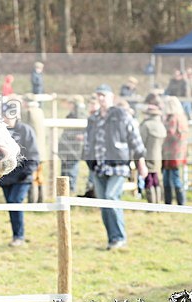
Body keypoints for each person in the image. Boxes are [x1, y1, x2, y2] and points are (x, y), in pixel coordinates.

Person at [82, 84, 147, 250]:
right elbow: (88, 141)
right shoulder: (93, 118)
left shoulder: (121, 115)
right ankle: (112, 239)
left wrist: (141, 162)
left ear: (111, 97)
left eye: (104, 95)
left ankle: (119, 237)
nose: (101, 98)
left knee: (111, 197)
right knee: (104, 203)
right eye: (99, 95)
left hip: (118, 165)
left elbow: (135, 139)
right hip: (98, 167)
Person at [0, 102, 39, 247]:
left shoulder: (26, 131)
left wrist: (27, 172)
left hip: (22, 177)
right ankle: (16, 234)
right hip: (5, 176)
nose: (5, 118)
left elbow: (34, 154)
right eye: (3, 114)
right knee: (11, 205)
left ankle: (19, 236)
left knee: (15, 202)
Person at [161, 96, 189, 205]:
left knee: (173, 177)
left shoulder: (172, 118)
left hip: (171, 151)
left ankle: (178, 203)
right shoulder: (182, 117)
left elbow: (170, 133)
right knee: (169, 177)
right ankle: (175, 202)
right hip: (178, 151)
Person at [139, 100, 166, 204]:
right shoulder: (161, 126)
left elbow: (141, 142)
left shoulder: (146, 126)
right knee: (156, 180)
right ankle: (158, 202)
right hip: (158, 156)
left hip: (147, 156)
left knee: (148, 180)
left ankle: (151, 204)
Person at [58, 95, 86, 193]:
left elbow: (79, 132)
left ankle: (70, 191)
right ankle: (64, 191)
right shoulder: (73, 114)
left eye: (70, 103)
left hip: (74, 148)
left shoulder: (79, 115)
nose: (68, 105)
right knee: (66, 170)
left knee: (71, 170)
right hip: (68, 147)